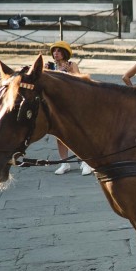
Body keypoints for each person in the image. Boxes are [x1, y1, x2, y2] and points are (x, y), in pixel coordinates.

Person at [45, 41, 93, 175]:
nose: (56, 53)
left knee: (77, 133)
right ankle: (64, 163)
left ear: (64, 53)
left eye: (59, 51)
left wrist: (67, 72)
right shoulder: (49, 66)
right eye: (54, 51)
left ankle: (85, 161)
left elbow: (79, 82)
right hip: (56, 104)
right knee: (59, 134)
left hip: (72, 103)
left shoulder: (72, 65)